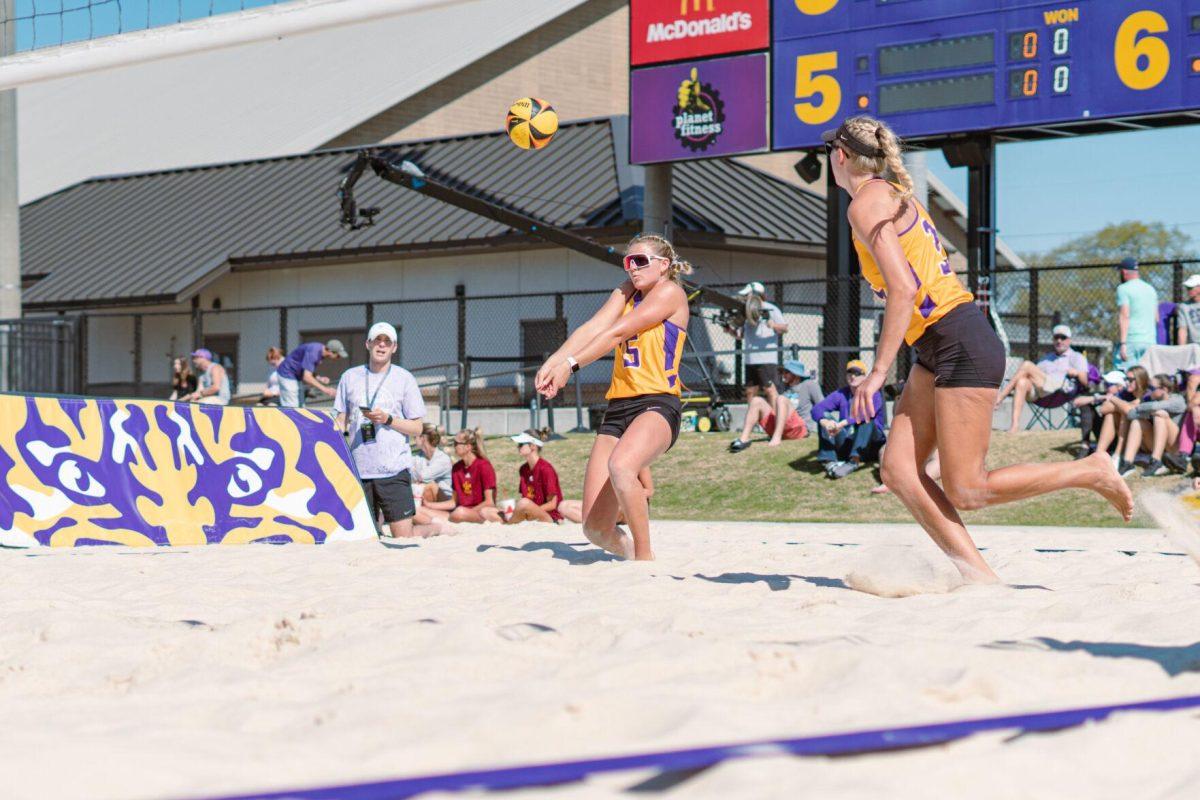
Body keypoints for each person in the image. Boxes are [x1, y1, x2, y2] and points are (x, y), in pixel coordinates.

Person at [823, 115, 1132, 583]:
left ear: (840, 156)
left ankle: (1091, 470)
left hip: (958, 341)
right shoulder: (887, 194)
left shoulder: (866, 202)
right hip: (943, 343)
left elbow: (904, 289)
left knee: (967, 487)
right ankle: (978, 575)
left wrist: (878, 371)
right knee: (899, 470)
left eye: (831, 150)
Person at [534, 233, 692, 560]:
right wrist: (554, 362)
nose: (633, 268)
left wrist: (572, 365)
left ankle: (646, 562)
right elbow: (593, 328)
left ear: (664, 265)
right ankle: (632, 553)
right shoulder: (625, 292)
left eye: (641, 261)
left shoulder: (670, 292)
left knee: (622, 466)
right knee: (594, 528)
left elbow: (619, 332)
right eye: (628, 261)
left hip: (657, 403)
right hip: (618, 407)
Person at [333, 323, 442, 538]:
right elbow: (340, 419)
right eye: (377, 340)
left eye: (387, 342)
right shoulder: (349, 377)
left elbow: (417, 427)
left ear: (394, 348)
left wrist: (388, 419)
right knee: (366, 538)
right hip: (359, 470)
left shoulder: (404, 378)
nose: (381, 345)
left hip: (393, 469)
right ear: (368, 344)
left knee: (403, 536)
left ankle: (436, 529)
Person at [995, 324, 1090, 433]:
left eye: (1063, 338)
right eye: (1056, 338)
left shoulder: (1077, 357)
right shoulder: (1047, 358)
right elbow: (1032, 375)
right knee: (1022, 382)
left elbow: (1085, 382)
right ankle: (1015, 425)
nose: (1059, 341)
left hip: (1060, 390)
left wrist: (1077, 372)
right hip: (1042, 393)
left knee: (1026, 364)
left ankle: (1000, 397)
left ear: (1069, 340)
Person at [811, 359, 886, 479]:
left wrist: (842, 423)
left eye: (857, 373)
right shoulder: (841, 394)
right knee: (826, 417)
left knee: (867, 420)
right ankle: (829, 461)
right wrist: (825, 422)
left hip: (871, 445)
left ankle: (854, 461)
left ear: (864, 377)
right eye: (850, 372)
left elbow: (868, 413)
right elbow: (816, 409)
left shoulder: (874, 393)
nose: (853, 376)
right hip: (849, 442)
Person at [726, 281, 788, 406]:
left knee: (770, 390)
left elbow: (785, 328)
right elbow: (740, 336)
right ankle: (753, 420)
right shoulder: (746, 312)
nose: (745, 298)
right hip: (750, 360)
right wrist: (729, 331)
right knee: (750, 391)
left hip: (767, 359)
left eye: (747, 295)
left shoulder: (772, 309)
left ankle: (775, 419)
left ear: (755, 294)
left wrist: (773, 325)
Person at [422, 428, 501, 524]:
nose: (453, 446)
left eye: (456, 443)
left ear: (468, 447)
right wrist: (429, 505)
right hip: (457, 514)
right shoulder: (456, 468)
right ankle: (444, 521)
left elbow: (489, 502)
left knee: (460, 512)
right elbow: (453, 502)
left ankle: (444, 520)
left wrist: (468, 512)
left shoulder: (484, 466)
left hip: (478, 514)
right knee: (418, 511)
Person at [1119, 373, 1188, 477]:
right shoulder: (1152, 400)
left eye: (1151, 388)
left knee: (1160, 414)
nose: (1148, 391)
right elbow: (1131, 415)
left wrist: (1142, 407)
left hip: (1176, 447)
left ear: (1164, 389)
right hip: (1161, 445)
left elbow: (1157, 406)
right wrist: (1145, 409)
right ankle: (1127, 462)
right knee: (1138, 422)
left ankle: (1155, 460)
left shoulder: (1178, 400)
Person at [503, 429, 565, 524]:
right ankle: (509, 521)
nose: (518, 447)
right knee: (490, 511)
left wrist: (531, 511)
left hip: (550, 516)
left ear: (533, 446)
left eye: (521, 444)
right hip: (531, 514)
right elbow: (527, 497)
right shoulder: (523, 469)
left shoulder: (546, 469)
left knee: (523, 503)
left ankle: (508, 524)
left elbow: (553, 504)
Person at [1096, 366, 1150, 467]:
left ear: (1139, 380)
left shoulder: (1148, 394)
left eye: (1130, 380)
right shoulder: (1126, 393)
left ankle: (1117, 455)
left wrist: (1113, 399)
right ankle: (1098, 454)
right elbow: (1103, 409)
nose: (1126, 382)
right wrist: (1124, 405)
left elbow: (1129, 411)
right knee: (1111, 415)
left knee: (1124, 414)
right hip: (1133, 441)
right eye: (1125, 379)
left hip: (1149, 442)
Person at [559, 468, 652, 525]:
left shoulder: (639, 461)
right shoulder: (605, 458)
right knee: (564, 506)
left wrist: (623, 497)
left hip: (629, 507)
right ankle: (596, 522)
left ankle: (597, 522)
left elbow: (649, 491)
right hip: (609, 505)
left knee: (618, 508)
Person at [1115, 256, 1158, 370]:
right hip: (1150, 341)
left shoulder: (1123, 288)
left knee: (1124, 377)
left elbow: (1124, 315)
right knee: (1145, 378)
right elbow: (1156, 318)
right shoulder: (1151, 289)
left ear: (1124, 272)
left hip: (1131, 340)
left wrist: (1123, 344)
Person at [277, 339, 347, 408]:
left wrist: (319, 378)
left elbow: (306, 369)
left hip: (296, 376)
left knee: (301, 406)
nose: (339, 358)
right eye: (338, 356)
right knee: (292, 406)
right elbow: (307, 377)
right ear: (330, 351)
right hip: (287, 373)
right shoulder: (314, 352)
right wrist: (326, 390)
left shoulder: (320, 352)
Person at [1074, 370, 1125, 458]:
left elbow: (1103, 409)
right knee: (1086, 406)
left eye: (1108, 385)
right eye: (1105, 383)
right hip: (1103, 435)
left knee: (1110, 414)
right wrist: (1101, 397)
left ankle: (1109, 450)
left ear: (1119, 386)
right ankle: (1085, 445)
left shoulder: (1125, 397)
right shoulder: (1105, 395)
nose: (1105, 387)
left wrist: (1112, 399)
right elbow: (1076, 402)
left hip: (1120, 437)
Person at [411, 424, 453, 504]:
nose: (414, 440)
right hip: (427, 497)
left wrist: (414, 472)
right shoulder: (418, 456)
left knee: (429, 486)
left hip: (445, 500)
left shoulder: (443, 459)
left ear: (423, 438)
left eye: (415, 437)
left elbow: (423, 477)